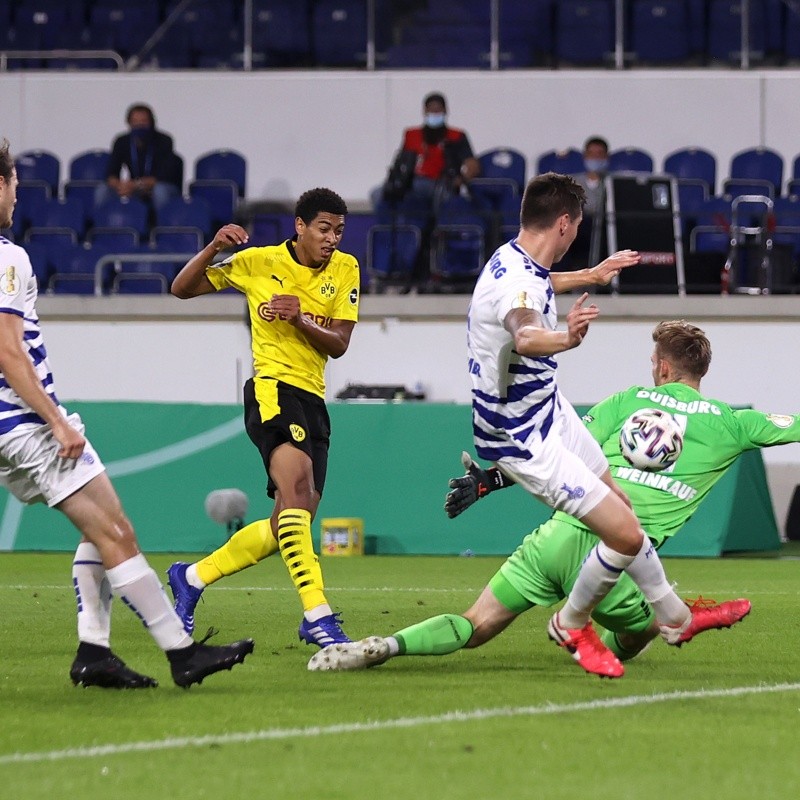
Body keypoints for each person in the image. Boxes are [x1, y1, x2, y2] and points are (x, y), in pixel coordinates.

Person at [317, 174, 740, 680]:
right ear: (563, 223)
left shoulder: (513, 259)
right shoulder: (519, 285)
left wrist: (592, 274)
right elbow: (526, 330)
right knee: (626, 536)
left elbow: (538, 286)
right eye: (576, 228)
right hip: (524, 437)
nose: (574, 236)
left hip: (548, 410)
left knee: (622, 508)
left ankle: (674, 618)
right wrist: (566, 338)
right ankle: (572, 623)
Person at [307, 320, 761, 673]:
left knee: (475, 624)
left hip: (553, 540)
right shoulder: (731, 423)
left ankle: (384, 646)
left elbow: (559, 454)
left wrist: (491, 479)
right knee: (649, 625)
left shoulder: (626, 403)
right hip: (612, 554)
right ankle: (588, 637)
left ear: (662, 367)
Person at [0, 138, 254, 690]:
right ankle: (181, 653)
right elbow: (7, 350)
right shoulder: (7, 256)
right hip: (25, 423)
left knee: (99, 531)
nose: (19, 195)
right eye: (14, 182)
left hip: (8, 430)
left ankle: (94, 650)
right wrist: (56, 420)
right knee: (117, 530)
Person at [167, 187, 360, 650]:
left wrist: (299, 320)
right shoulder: (259, 262)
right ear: (300, 225)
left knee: (287, 524)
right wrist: (214, 247)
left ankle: (190, 578)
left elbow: (339, 343)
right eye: (323, 228)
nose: (332, 238)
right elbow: (182, 289)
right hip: (273, 389)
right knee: (296, 492)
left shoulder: (346, 268)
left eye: (338, 230)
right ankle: (317, 615)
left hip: (313, 399)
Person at [95, 103, 181, 213]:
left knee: (160, 190)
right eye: (135, 122)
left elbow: (163, 176)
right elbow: (111, 173)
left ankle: (162, 228)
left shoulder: (164, 141)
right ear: (129, 123)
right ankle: (102, 227)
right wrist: (121, 186)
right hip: (134, 188)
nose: (139, 125)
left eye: (144, 121)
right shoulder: (122, 141)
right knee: (102, 190)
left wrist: (136, 185)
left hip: (158, 187)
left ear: (151, 123)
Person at [566, 136, 609, 270]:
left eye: (599, 154)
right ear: (585, 156)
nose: (595, 158)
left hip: (605, 230)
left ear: (606, 157)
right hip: (581, 232)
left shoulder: (610, 182)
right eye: (591, 154)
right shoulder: (572, 182)